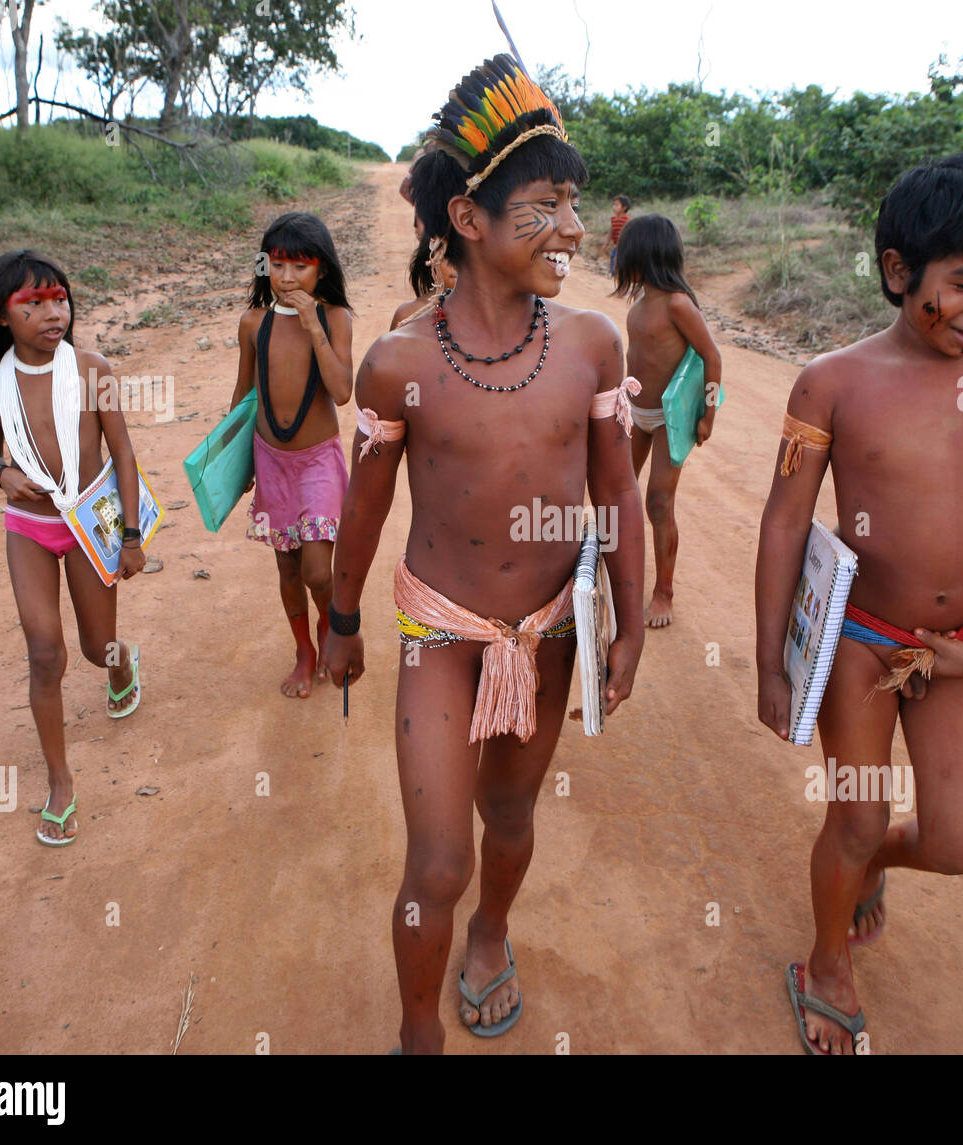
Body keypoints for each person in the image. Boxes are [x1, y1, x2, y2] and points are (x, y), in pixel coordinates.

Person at [322, 53, 644, 1054]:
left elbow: (617, 490)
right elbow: (364, 513)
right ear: (469, 218)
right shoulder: (398, 364)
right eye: (543, 206)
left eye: (572, 205)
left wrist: (627, 625)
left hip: (546, 638)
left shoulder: (592, 344)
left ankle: (492, 934)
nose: (573, 230)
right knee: (436, 862)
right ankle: (418, 1031)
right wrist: (339, 621)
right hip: (440, 634)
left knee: (508, 821)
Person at [755, 153, 963, 1054]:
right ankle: (826, 961)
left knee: (958, 842)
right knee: (856, 811)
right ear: (901, 273)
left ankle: (870, 864)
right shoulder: (833, 381)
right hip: (859, 642)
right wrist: (772, 664)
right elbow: (785, 525)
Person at [0, 250, 147, 847]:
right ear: (1, 317)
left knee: (94, 647)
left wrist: (133, 536)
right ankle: (60, 782)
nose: (51, 312)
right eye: (31, 304)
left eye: (58, 299)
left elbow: (122, 453)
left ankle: (120, 666)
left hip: (90, 521)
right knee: (45, 653)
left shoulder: (93, 369)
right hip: (29, 527)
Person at [231, 212, 354, 698]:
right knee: (287, 568)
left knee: (317, 571)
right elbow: (242, 398)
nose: (286, 277)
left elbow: (342, 391)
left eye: (299, 267)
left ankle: (330, 627)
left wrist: (312, 325)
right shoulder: (252, 323)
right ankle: (303, 649)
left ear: (320, 270)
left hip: (318, 462)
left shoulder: (334, 318)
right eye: (277, 265)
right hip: (271, 463)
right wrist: (234, 465)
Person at [613, 213, 722, 627]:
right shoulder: (639, 306)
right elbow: (634, 358)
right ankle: (616, 577)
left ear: (645, 257)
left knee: (658, 501)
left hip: (668, 420)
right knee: (617, 494)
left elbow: (712, 357)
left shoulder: (678, 305)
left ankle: (664, 592)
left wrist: (708, 415)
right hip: (636, 415)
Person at [605, 194, 631, 278]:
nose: (614, 207)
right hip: (617, 245)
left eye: (616, 205)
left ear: (624, 207)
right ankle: (615, 275)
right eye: (614, 204)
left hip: (624, 246)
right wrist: (606, 244)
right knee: (613, 258)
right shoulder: (613, 219)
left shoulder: (627, 219)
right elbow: (611, 232)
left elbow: (628, 232)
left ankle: (619, 276)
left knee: (619, 260)